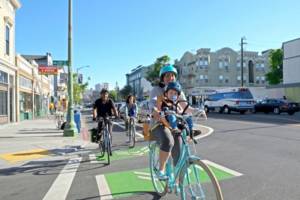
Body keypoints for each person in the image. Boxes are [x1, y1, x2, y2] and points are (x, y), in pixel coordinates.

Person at [149, 64, 205, 181]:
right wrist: (157, 112)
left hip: (173, 123)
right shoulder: (156, 90)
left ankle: (177, 177)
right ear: (162, 78)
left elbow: (185, 106)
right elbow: (153, 106)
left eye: (173, 76)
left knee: (179, 147)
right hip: (159, 123)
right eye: (167, 76)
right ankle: (161, 170)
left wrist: (198, 110)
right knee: (168, 140)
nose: (170, 78)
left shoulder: (178, 90)